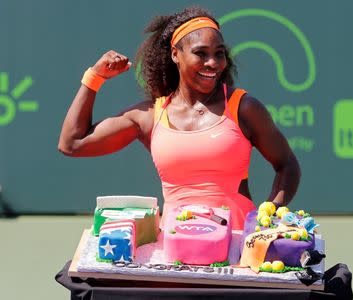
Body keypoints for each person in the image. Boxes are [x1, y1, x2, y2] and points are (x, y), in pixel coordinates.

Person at [58, 7, 300, 230]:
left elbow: (287, 164)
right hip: (177, 246)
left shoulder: (244, 108)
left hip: (237, 247)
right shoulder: (150, 115)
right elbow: (72, 143)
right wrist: (94, 78)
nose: (213, 63)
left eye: (219, 53)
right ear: (176, 54)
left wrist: (271, 212)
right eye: (200, 53)